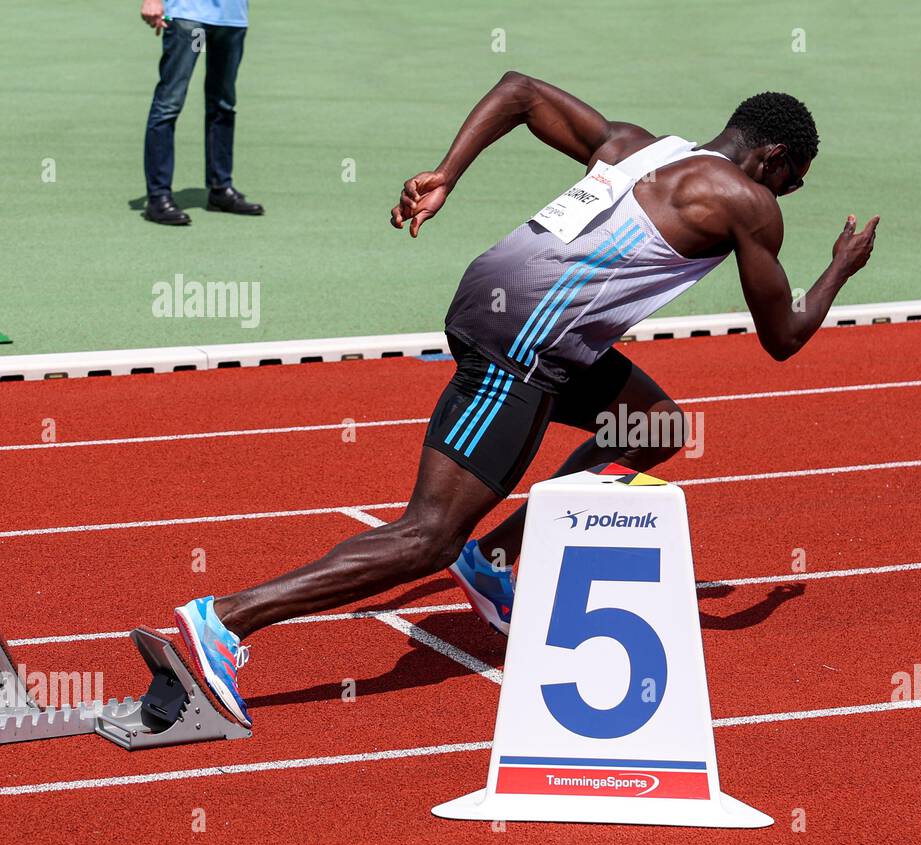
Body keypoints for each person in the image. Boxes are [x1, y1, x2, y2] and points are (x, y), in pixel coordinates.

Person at [173, 71, 879, 727]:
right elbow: (783, 336)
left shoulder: (634, 146)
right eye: (795, 183)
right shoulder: (747, 204)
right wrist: (839, 269)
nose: (788, 199)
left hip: (506, 308)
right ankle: (227, 617)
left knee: (656, 427)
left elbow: (517, 91)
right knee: (428, 534)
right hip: (524, 341)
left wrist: (446, 174)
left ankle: (496, 562)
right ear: (775, 159)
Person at [140, 0, 264, 225]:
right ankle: (158, 198)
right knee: (169, 105)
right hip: (188, 17)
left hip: (232, 18)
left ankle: (220, 189)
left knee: (223, 104)